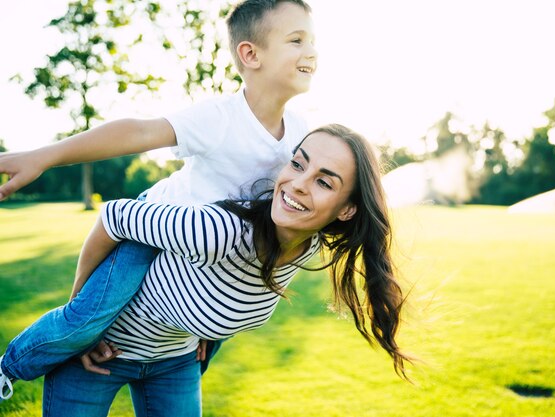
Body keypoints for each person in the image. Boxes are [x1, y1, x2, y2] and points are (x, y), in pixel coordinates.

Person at [0, 0, 317, 402]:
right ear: (250, 54)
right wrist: (42, 156)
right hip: (148, 233)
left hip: (204, 256)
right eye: (296, 40)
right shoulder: (220, 117)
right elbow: (137, 132)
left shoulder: (301, 133)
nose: (311, 52)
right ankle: (7, 368)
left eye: (312, 41)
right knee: (85, 321)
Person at [31, 125, 411, 416]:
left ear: (346, 210)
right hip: (100, 356)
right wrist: (82, 326)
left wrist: (207, 335)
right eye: (298, 163)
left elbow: (241, 293)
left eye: (324, 181)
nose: (297, 184)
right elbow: (114, 215)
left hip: (174, 363)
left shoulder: (304, 245)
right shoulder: (218, 230)